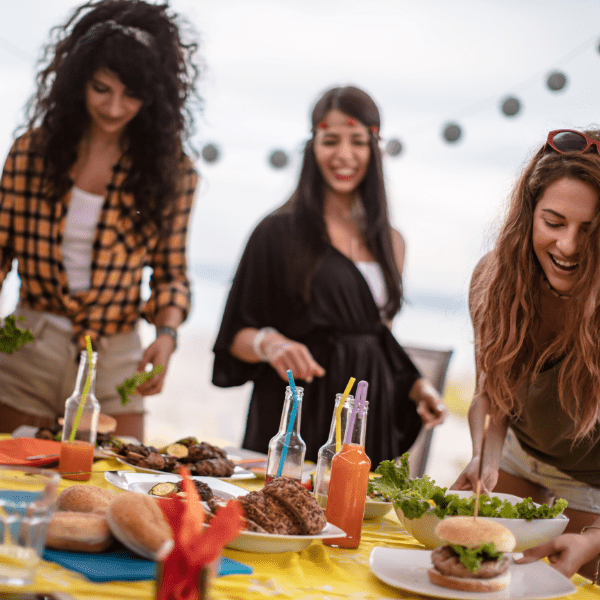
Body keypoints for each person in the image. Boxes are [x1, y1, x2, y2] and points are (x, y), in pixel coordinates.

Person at [212, 85, 447, 466]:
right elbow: (234, 335)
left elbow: (379, 336)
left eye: (358, 141)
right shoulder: (275, 233)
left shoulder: (391, 241)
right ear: (312, 146)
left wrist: (418, 386)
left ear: (374, 149)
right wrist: (270, 344)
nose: (344, 155)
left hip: (365, 416)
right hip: (298, 412)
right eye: (330, 140)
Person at [0, 0, 200, 440]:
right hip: (27, 344)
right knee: (14, 482)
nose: (113, 108)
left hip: (115, 357)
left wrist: (166, 335)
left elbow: (171, 274)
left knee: (115, 490)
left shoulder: (173, 172)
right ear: (76, 82)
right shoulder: (30, 153)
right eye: (101, 89)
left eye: (131, 95)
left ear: (154, 97)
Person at [451, 129, 600, 579]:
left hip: (592, 487)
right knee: (468, 571)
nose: (568, 246)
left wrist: (592, 540)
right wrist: (485, 458)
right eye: (554, 223)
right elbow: (491, 396)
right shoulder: (493, 279)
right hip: (517, 458)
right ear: (529, 214)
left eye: (590, 231)